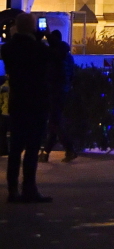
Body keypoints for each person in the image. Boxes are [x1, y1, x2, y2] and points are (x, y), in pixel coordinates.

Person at [1, 12, 51, 203]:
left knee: (15, 149)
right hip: (37, 103)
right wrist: (45, 36)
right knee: (32, 148)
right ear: (32, 27)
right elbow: (58, 54)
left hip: (18, 102)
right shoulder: (38, 48)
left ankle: (12, 189)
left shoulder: (8, 49)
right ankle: (29, 188)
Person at [41, 29, 76, 162]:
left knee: (55, 123)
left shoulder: (54, 56)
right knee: (55, 122)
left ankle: (68, 149)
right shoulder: (68, 55)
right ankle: (46, 152)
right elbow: (71, 74)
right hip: (64, 91)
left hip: (54, 92)